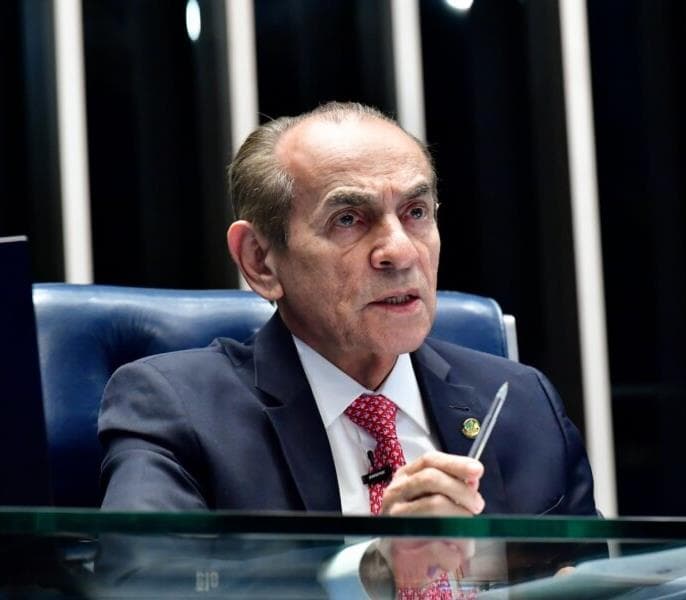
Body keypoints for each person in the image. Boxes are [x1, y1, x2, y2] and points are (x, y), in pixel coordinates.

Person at [99, 100, 595, 529]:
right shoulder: (177, 410)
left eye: (416, 212)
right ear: (260, 260)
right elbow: (140, 581)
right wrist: (371, 569)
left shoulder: (523, 403)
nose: (400, 252)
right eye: (349, 220)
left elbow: (593, 581)